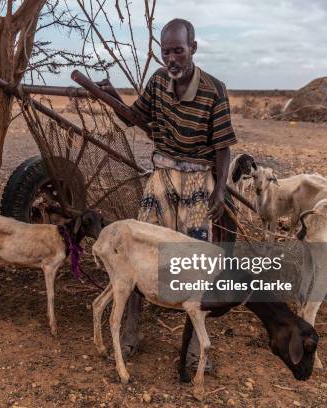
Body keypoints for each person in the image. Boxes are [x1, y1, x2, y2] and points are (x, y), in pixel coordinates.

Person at [98, 18, 237, 370]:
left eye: (178, 49)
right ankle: (129, 334)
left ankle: (193, 352)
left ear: (193, 48)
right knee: (137, 254)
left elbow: (222, 149)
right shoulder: (159, 81)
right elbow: (135, 116)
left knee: (195, 266)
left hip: (196, 182)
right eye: (166, 51)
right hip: (161, 179)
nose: (171, 58)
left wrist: (219, 192)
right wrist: (112, 97)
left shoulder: (214, 89)